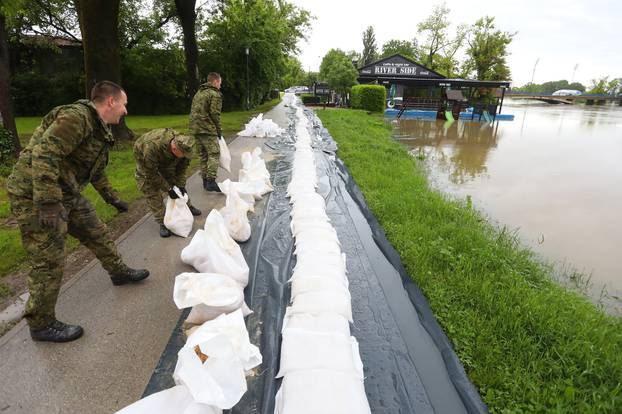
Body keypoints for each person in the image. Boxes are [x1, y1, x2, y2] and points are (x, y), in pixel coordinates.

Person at [6, 81, 150, 343]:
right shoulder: (77, 118)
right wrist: (48, 203)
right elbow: (44, 154)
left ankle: (118, 272)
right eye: (124, 104)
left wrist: (113, 199)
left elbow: (94, 169)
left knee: (96, 231)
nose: (126, 111)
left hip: (65, 191)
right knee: (48, 258)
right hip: (35, 194)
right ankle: (41, 324)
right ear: (110, 102)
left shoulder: (98, 128)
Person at [133, 128, 202, 238]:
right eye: (183, 154)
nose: (185, 156)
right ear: (174, 149)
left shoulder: (184, 147)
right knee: (152, 191)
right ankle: (163, 222)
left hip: (166, 160)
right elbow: (151, 174)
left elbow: (181, 169)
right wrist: (169, 189)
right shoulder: (151, 147)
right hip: (146, 165)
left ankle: (187, 205)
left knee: (176, 186)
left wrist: (180, 185)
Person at [189, 72, 223, 192]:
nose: (220, 86)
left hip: (195, 128)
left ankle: (205, 181)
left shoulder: (199, 93)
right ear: (215, 81)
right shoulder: (215, 94)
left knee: (203, 155)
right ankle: (211, 181)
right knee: (214, 154)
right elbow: (215, 114)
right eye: (220, 83)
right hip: (207, 129)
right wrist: (218, 130)